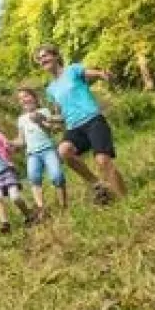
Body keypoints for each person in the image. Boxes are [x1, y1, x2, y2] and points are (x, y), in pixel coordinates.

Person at [34, 45, 128, 202]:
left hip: (93, 120)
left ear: (56, 56)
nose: (43, 59)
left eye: (45, 55)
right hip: (73, 127)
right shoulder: (50, 89)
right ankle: (98, 184)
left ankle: (124, 198)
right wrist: (44, 120)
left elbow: (91, 73)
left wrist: (102, 74)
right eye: (40, 59)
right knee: (64, 151)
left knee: (102, 161)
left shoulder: (72, 70)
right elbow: (60, 116)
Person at [12, 87, 68, 217]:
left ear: (35, 98)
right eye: (20, 98)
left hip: (48, 150)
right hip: (32, 154)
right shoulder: (21, 119)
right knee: (34, 178)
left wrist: (40, 121)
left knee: (57, 176)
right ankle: (41, 209)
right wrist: (12, 143)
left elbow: (52, 130)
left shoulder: (44, 111)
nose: (23, 100)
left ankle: (63, 206)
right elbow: (22, 140)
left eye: (26, 96)